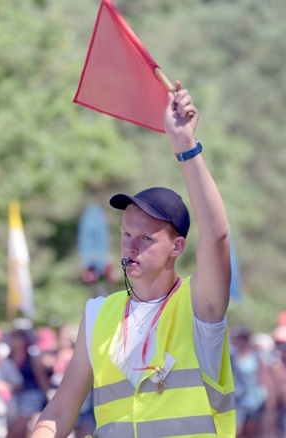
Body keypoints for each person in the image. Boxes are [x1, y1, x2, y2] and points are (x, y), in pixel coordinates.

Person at [31, 82, 236, 437]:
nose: (131, 246)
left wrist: (185, 146)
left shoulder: (200, 306)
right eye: (126, 235)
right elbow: (60, 412)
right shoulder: (98, 315)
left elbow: (217, 236)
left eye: (146, 238)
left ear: (176, 247)